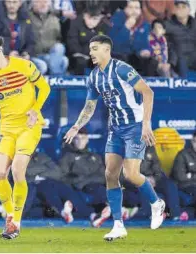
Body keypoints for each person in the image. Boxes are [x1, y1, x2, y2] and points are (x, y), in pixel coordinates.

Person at [64, 35, 165, 241]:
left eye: (94, 48)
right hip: (115, 128)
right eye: (90, 49)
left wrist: (146, 124)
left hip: (135, 126)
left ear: (106, 50)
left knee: (130, 175)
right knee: (110, 174)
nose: (90, 52)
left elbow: (148, 93)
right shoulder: (93, 77)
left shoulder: (122, 69)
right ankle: (118, 225)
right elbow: (90, 106)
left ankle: (156, 203)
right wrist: (76, 126)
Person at [0, 33, 51, 240]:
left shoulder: (23, 65)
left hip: (29, 126)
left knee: (17, 170)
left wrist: (35, 109)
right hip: (6, 129)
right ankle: (11, 216)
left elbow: (45, 87)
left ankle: (16, 222)